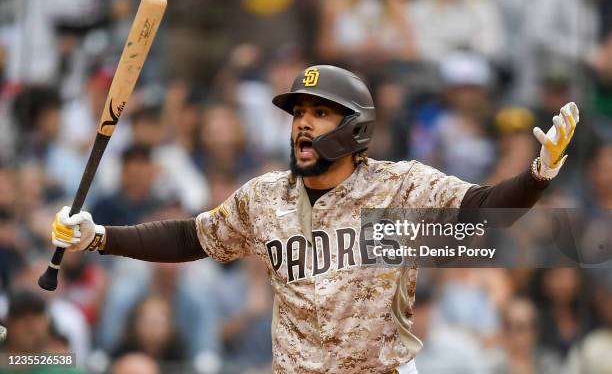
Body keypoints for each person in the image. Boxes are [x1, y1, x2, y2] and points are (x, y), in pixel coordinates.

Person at [50, 65, 579, 373]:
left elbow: (486, 212)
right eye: (297, 113)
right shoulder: (264, 197)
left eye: (318, 112)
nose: (302, 124)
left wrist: (539, 172)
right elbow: (193, 237)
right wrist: (99, 237)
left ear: (354, 129)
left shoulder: (399, 185)